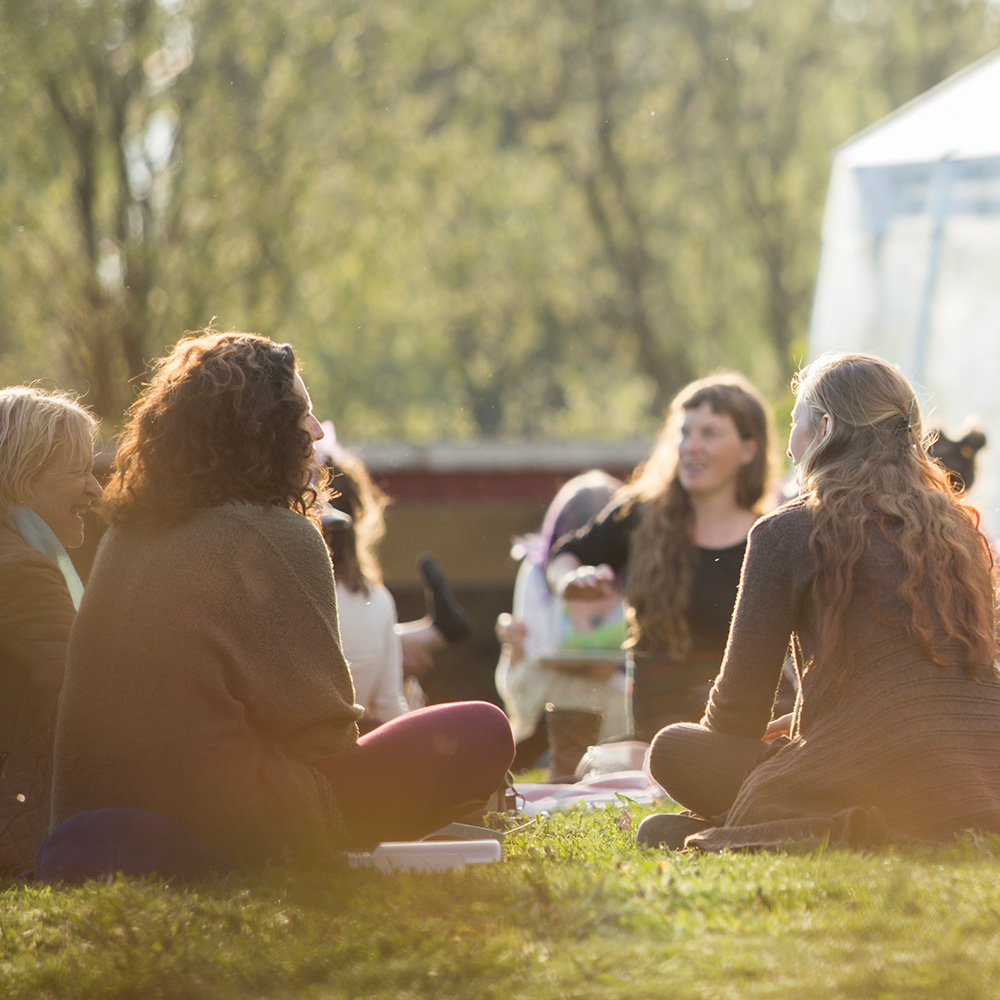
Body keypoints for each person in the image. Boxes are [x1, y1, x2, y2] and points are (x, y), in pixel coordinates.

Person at [50, 331, 514, 871]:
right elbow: (325, 736)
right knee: (483, 728)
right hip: (220, 828)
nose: (318, 433)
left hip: (91, 822)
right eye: (304, 415)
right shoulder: (278, 534)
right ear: (264, 430)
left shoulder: (127, 536)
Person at [639, 353, 1000, 852]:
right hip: (985, 775)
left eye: (794, 423)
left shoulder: (788, 530)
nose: (788, 446)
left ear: (826, 428)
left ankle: (776, 818)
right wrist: (816, 722)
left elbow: (735, 716)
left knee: (674, 750)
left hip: (881, 773)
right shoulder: (958, 529)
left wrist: (794, 744)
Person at [547, 375, 771, 741]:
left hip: (743, 730)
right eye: (684, 433)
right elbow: (565, 555)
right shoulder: (638, 516)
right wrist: (569, 581)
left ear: (749, 450)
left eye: (710, 434)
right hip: (657, 734)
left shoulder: (772, 533)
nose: (691, 447)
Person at [0, 386, 101, 874]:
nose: (96, 487)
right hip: (20, 827)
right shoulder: (21, 571)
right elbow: (88, 695)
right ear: (20, 477)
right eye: (78, 470)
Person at [495, 470, 629, 778]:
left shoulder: (637, 570)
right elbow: (523, 682)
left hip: (618, 696)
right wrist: (513, 647)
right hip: (552, 703)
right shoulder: (535, 573)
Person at [320, 449, 414, 731]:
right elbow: (389, 704)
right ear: (358, 515)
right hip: (348, 752)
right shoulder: (380, 599)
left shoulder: (284, 591)